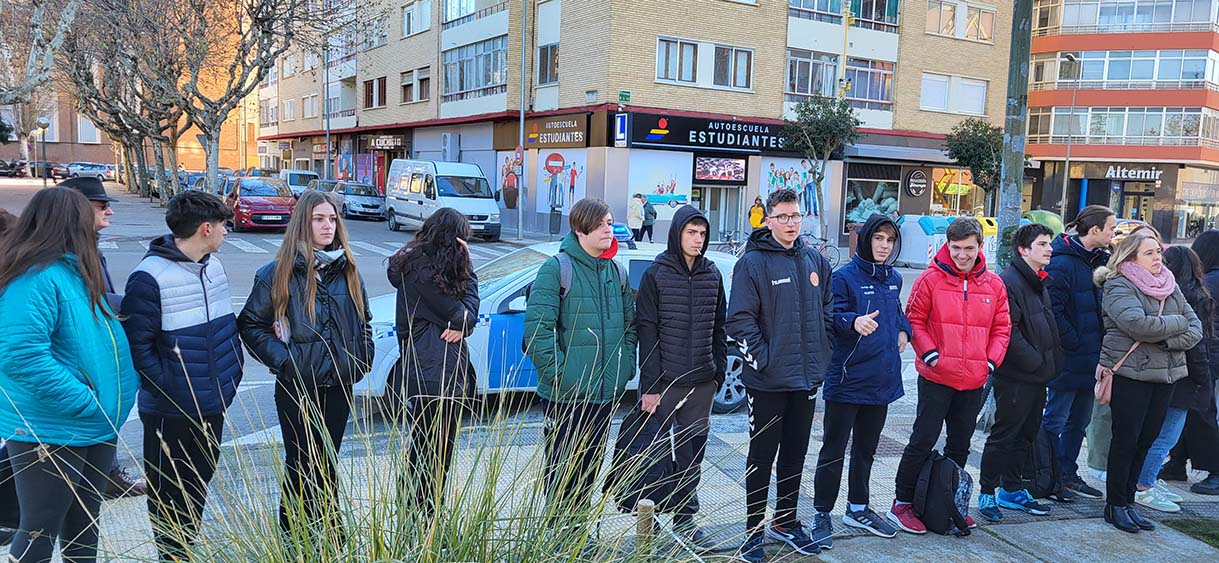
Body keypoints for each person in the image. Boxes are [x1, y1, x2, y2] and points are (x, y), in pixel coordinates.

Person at [0, 187, 139, 563]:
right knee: (39, 530)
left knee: (83, 527)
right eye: (88, 214)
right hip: (53, 427)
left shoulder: (75, 270)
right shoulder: (35, 279)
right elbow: (19, 356)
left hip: (94, 423)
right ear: (69, 222)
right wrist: (83, 400)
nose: (98, 220)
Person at [238, 190, 373, 544]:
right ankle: (295, 538)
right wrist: (286, 362)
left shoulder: (349, 271)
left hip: (339, 386)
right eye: (318, 219)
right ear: (303, 223)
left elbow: (364, 321)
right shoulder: (278, 273)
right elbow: (250, 324)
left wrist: (362, 358)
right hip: (298, 387)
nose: (327, 226)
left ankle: (329, 534)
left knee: (328, 463)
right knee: (300, 464)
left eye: (331, 219)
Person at [120, 190, 243, 561]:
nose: (226, 232)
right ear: (206, 228)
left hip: (213, 404)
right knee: (168, 496)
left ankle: (184, 553)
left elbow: (226, 330)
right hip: (169, 413)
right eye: (223, 225)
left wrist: (230, 377)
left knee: (197, 488)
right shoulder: (148, 278)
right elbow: (138, 349)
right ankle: (171, 556)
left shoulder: (213, 266)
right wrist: (174, 391)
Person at [727, 188, 834, 562]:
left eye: (796, 216)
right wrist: (765, 360)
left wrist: (822, 354)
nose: (791, 223)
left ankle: (785, 521)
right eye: (783, 217)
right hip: (768, 381)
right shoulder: (752, 264)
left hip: (805, 380)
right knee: (762, 456)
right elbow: (739, 320)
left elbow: (828, 314)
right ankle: (753, 531)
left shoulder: (814, 262)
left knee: (795, 454)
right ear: (768, 220)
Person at [890, 217, 1011, 534]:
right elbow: (913, 320)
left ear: (980, 246)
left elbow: (1002, 328)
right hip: (936, 377)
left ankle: (952, 502)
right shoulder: (930, 280)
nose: (961, 255)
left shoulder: (994, 285)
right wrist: (930, 355)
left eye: (968, 248)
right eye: (955, 248)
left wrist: (990, 363)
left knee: (960, 445)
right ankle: (902, 502)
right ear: (947, 245)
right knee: (922, 440)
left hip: (973, 380)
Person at [523, 198, 636, 533]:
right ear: (580, 228)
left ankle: (579, 534)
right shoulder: (557, 269)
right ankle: (558, 536)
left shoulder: (617, 272)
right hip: (565, 396)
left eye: (610, 222)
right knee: (561, 471)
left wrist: (623, 368)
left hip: (603, 393)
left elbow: (630, 327)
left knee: (588, 469)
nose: (608, 229)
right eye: (601, 223)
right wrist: (562, 377)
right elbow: (537, 331)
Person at [809, 214, 909, 548]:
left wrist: (903, 331)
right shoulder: (844, 278)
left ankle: (858, 507)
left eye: (889, 240)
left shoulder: (893, 278)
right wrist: (853, 322)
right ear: (866, 240)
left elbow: (898, 312)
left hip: (881, 380)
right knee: (834, 450)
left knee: (866, 450)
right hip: (847, 380)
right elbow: (831, 315)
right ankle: (822, 512)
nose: (884, 245)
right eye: (878, 238)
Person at [1096, 229, 1201, 533]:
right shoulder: (1118, 284)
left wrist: (1166, 338)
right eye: (1150, 253)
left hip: (1166, 375)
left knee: (1146, 440)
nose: (1158, 258)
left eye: (1158, 251)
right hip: (1131, 374)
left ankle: (1128, 502)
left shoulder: (1169, 282)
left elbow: (1195, 329)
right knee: (1125, 440)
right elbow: (1138, 325)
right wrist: (1176, 324)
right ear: (1131, 258)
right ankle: (1114, 504)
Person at [634, 205, 726, 549]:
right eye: (691, 232)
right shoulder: (656, 274)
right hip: (664, 384)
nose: (698, 239)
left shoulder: (713, 274)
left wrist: (716, 371)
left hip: (701, 382)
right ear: (677, 233)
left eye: (702, 233)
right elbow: (647, 331)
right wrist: (650, 387)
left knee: (692, 453)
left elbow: (720, 326)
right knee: (655, 454)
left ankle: (685, 517)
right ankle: (651, 517)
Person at [56, 177, 150, 499]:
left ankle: (105, 475)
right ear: (78, 209)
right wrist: (134, 302)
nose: (109, 210)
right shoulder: (66, 253)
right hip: (80, 358)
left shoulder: (88, 245)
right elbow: (86, 302)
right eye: (101, 205)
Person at [386, 208, 479, 519]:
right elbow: (464, 315)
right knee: (435, 450)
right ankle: (422, 513)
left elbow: (462, 319)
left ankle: (418, 510)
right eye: (462, 241)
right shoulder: (425, 273)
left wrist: (463, 321)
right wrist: (471, 272)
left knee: (427, 448)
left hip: (429, 369)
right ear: (450, 241)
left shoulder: (421, 267)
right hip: (434, 371)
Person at [977, 224, 1060, 522]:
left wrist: (1049, 363)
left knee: (1026, 435)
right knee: (1004, 434)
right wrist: (1036, 362)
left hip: (1038, 376)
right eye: (1042, 244)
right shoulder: (1009, 281)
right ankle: (987, 491)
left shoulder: (1038, 280)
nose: (1049, 249)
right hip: (1016, 376)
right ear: (1024, 250)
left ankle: (1011, 489)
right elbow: (1008, 332)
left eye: (1049, 244)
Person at [1043, 205, 1116, 502]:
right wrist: (1075, 342)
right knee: (1055, 418)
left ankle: (1067, 473)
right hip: (1069, 357)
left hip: (1093, 359)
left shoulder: (1103, 261)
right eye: (1111, 228)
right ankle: (1046, 474)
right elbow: (1054, 312)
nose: (1114, 233)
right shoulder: (1061, 262)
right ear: (1095, 230)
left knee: (1079, 421)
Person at [1130, 246, 1211, 513]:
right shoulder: (1193, 297)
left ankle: (1147, 480)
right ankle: (1143, 485)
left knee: (1158, 434)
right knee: (1165, 437)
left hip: (1169, 373)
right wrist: (1203, 379)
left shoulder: (1166, 294)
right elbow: (1196, 343)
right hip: (1182, 375)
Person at [1163, 231, 1219, 495]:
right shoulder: (1209, 280)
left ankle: (1215, 470)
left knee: (1200, 412)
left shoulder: (1210, 282)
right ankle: (1177, 462)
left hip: (1206, 356)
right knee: (1187, 409)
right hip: (1209, 355)